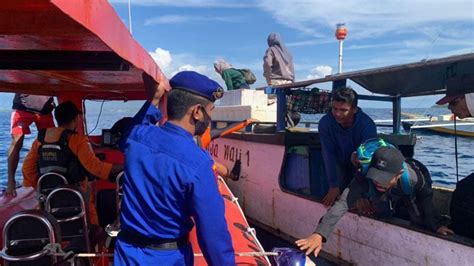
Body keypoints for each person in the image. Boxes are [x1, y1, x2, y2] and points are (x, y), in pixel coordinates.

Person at [114, 71, 235, 266]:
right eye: (210, 111)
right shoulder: (198, 162)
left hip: (126, 254)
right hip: (167, 259)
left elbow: (130, 132)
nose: (209, 119)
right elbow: (213, 234)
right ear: (197, 112)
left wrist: (153, 101)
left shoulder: (136, 138)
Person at [296, 146, 454, 257]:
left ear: (398, 173)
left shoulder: (415, 179)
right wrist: (319, 234)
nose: (378, 182)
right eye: (375, 176)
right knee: (382, 212)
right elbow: (342, 203)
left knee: (419, 218)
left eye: (383, 178)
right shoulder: (365, 175)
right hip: (386, 191)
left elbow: (426, 201)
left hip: (411, 189)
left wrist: (436, 225)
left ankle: (438, 220)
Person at [22, 101, 123, 225]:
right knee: (92, 214)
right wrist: (123, 167)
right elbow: (94, 168)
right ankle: (95, 238)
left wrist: (41, 188)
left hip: (50, 199)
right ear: (75, 119)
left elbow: (27, 169)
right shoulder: (78, 141)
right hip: (77, 197)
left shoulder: (40, 141)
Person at [319, 87, 377, 207]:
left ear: (354, 109)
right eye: (334, 109)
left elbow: (367, 161)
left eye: (343, 110)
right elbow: (328, 154)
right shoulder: (325, 123)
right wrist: (333, 186)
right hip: (337, 161)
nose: (337, 114)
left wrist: (362, 194)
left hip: (359, 164)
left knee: (361, 196)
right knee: (330, 193)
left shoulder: (367, 125)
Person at [5, 94, 55, 197]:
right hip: (22, 107)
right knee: (17, 141)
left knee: (51, 143)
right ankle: (11, 181)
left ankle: (50, 177)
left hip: (44, 109)